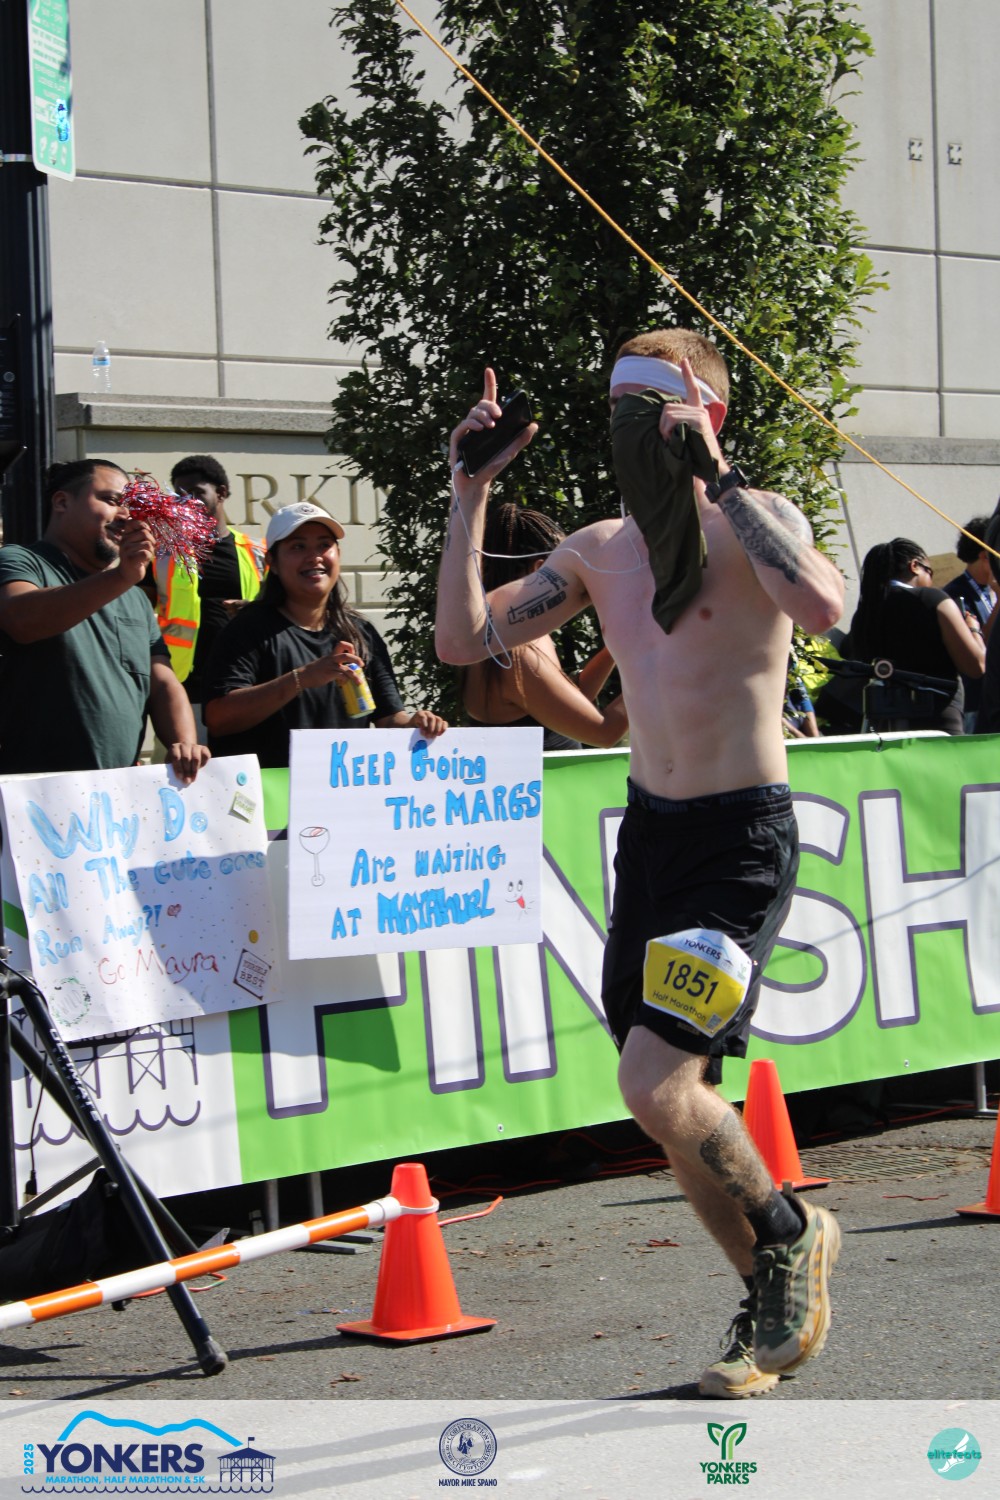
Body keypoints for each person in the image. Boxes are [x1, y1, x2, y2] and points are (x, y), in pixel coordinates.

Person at [436, 328, 845, 1399]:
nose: (630, 431)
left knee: (654, 1084)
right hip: (652, 840)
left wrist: (722, 477)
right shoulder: (600, 550)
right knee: (667, 1100)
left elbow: (822, 608)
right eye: (616, 409)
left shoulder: (760, 524)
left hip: (739, 844)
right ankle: (766, 1292)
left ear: (706, 413)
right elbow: (463, 642)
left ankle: (790, 1232)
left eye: (650, 409)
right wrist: (469, 492)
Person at [0, 459, 208, 781]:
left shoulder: (134, 597)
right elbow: (22, 619)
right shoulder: (20, 561)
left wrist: (185, 743)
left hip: (118, 792)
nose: (125, 515)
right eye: (111, 500)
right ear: (62, 502)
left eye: (131, 508)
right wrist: (122, 577)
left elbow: (162, 682)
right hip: (36, 790)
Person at [204, 501, 447, 766]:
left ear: (338, 555)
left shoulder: (361, 632)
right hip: (269, 790)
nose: (314, 557)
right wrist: (301, 679)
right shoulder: (246, 629)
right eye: (298, 547)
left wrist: (414, 724)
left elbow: (388, 717)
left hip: (339, 789)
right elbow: (219, 719)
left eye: (324, 545)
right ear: (272, 562)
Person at [460, 502, 628, 749]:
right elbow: (604, 733)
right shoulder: (515, 653)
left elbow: (568, 701)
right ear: (540, 570)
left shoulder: (506, 632)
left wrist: (617, 645)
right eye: (571, 571)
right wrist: (658, 670)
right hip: (543, 776)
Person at [154, 455, 265, 736]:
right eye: (180, 496)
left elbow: (281, 610)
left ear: (221, 493)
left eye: (196, 493)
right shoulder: (162, 553)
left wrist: (254, 611)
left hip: (243, 686)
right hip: (182, 690)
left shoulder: (257, 553)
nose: (186, 503)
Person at [846, 538, 984, 734]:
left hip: (885, 727)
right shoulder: (932, 599)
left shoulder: (863, 615)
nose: (932, 581)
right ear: (915, 566)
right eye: (930, 572)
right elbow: (976, 666)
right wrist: (973, 629)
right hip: (938, 722)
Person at [943, 517, 997, 732]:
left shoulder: (991, 588)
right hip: (977, 702)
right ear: (985, 556)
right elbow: (980, 647)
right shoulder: (954, 595)